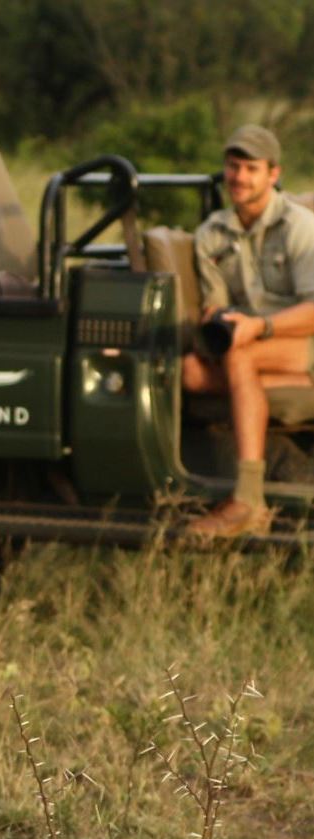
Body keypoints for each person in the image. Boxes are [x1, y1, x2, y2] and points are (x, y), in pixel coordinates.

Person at [182, 125, 314, 538]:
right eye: (232, 166)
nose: (238, 177)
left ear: (273, 174)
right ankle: (277, 385)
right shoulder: (212, 234)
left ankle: (248, 500)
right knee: (190, 371)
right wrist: (218, 321)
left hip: (299, 337)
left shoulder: (298, 226)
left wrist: (260, 326)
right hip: (259, 346)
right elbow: (216, 304)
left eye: (250, 169)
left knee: (240, 358)